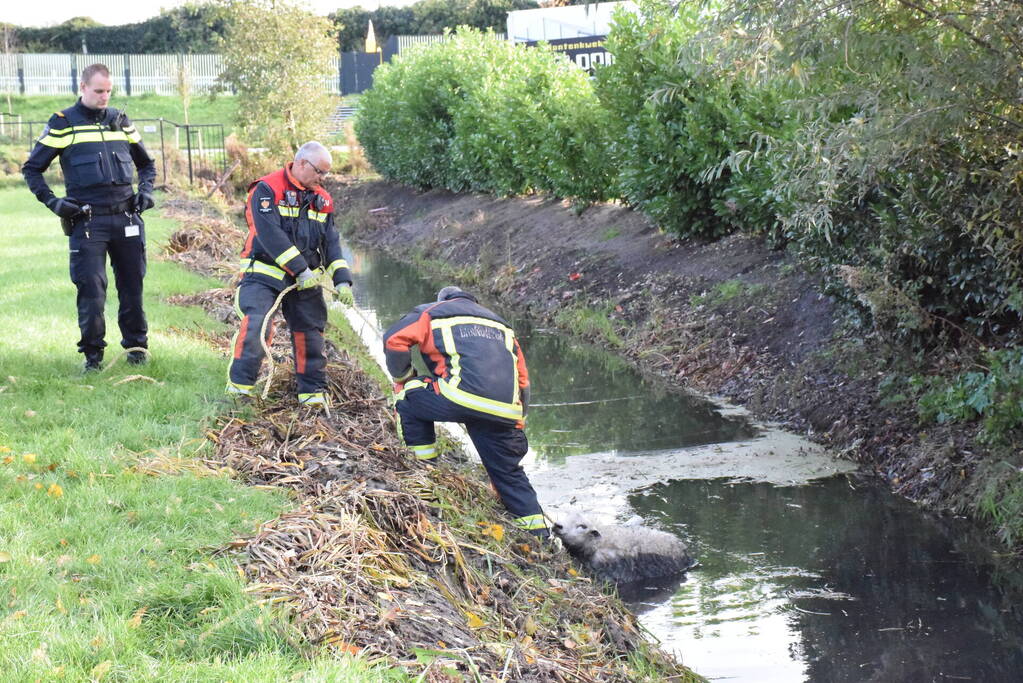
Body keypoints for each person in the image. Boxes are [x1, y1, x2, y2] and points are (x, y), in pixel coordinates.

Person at [383, 286, 549, 538]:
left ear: (443, 299)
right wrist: (517, 421)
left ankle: (422, 475)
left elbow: (394, 340)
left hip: (459, 397)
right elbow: (523, 381)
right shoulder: (502, 325)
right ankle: (540, 536)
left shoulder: (432, 312)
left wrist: (403, 376)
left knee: (408, 393)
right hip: (505, 409)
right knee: (509, 474)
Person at [22, 63, 157, 372]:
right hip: (88, 223)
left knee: (132, 289)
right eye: (98, 91)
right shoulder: (63, 123)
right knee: (92, 292)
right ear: (82, 87)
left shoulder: (120, 121)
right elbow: (32, 169)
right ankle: (92, 359)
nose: (104, 97)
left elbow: (147, 164)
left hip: (127, 218)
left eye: (108, 91)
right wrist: (53, 202)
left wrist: (146, 191)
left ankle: (137, 350)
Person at [226, 141, 354, 407]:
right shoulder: (267, 189)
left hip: (304, 279)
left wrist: (342, 281)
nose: (323, 178)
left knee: (310, 331)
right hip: (264, 273)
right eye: (320, 172)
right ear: (302, 163)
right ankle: (239, 391)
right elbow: (270, 235)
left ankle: (312, 395)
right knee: (258, 325)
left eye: (326, 173)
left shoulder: (322, 199)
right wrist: (300, 269)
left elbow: (331, 243)